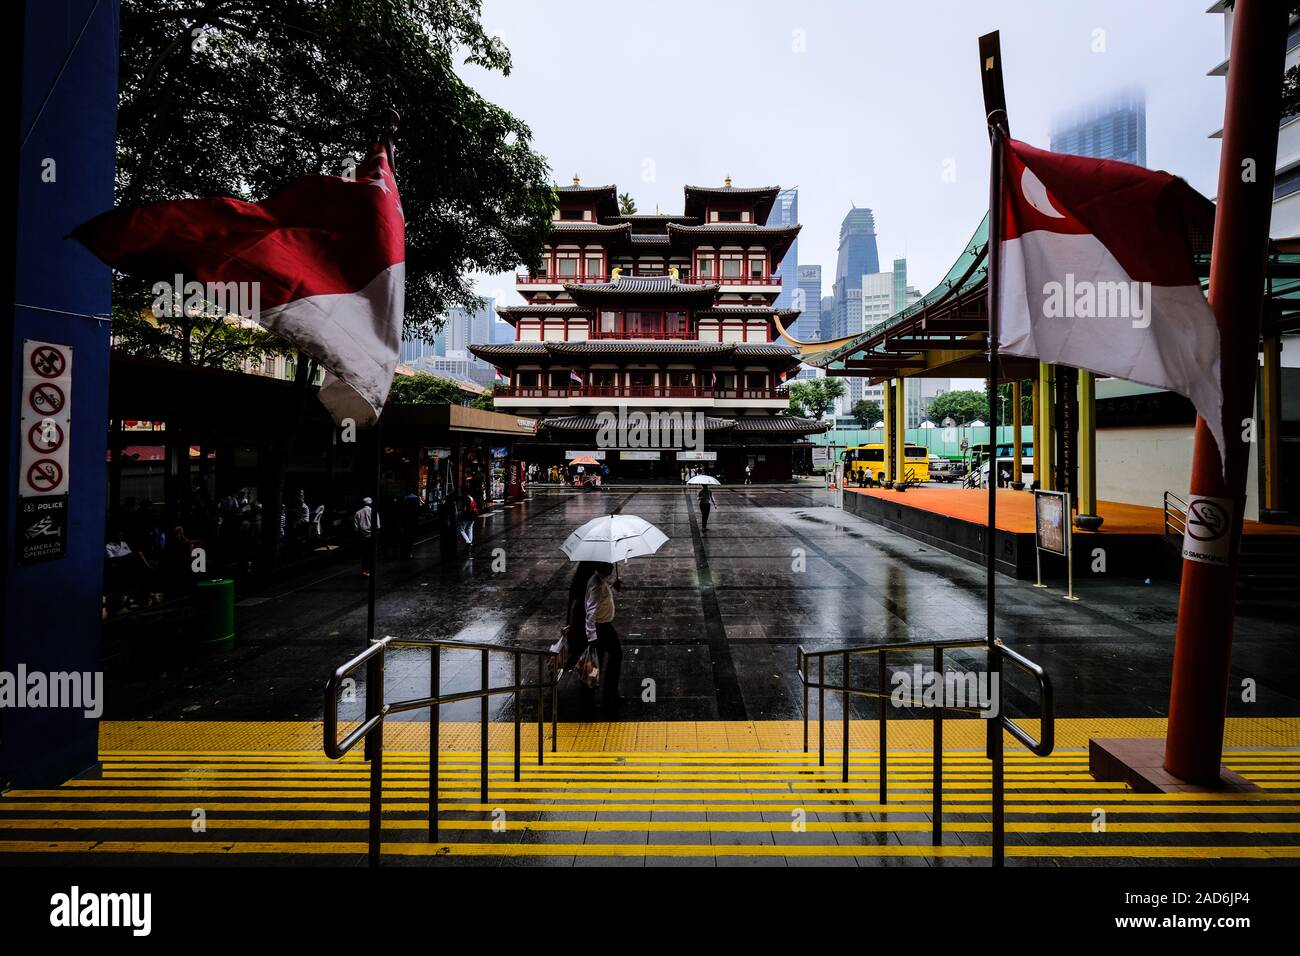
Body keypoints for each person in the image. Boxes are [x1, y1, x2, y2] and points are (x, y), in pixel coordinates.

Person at [564, 561, 623, 715]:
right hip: (601, 628)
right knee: (600, 661)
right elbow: (590, 612)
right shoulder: (596, 583)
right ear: (601, 567)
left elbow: (600, 600)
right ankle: (598, 697)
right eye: (609, 565)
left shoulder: (599, 581)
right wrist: (592, 636)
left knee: (600, 661)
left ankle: (600, 695)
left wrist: (612, 588)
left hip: (604, 627)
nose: (612, 567)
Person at [353, 496, 380, 576]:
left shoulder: (358, 512)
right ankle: (371, 570)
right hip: (372, 536)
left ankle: (365, 570)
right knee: (372, 554)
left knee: (364, 554)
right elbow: (378, 526)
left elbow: (356, 527)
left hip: (362, 537)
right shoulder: (374, 512)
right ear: (370, 503)